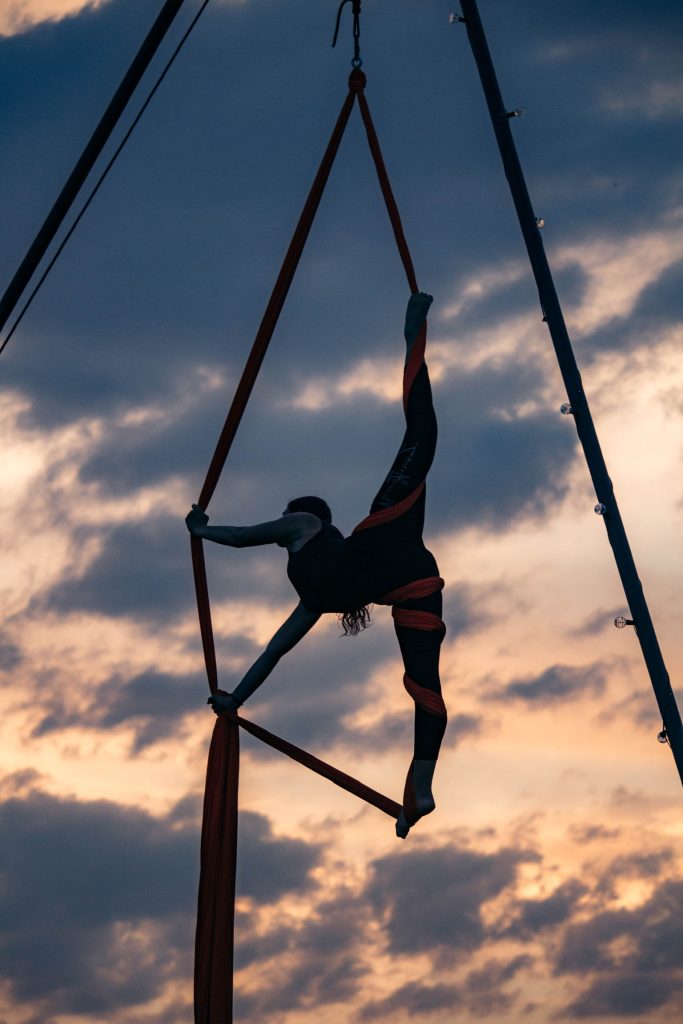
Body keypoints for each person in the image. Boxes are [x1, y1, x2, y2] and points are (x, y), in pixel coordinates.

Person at [186, 292, 447, 838]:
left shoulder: (306, 536)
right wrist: (232, 697)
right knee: (420, 436)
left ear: (301, 516)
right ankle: (418, 789)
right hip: (406, 571)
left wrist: (201, 529)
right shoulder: (315, 580)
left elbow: (242, 542)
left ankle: (421, 784)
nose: (283, 520)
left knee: (427, 691)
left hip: (387, 564)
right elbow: (272, 649)